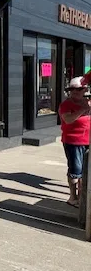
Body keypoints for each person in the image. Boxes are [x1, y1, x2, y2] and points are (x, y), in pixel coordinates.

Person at [58, 76, 91, 208]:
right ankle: (73, 197)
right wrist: (83, 110)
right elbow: (68, 119)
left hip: (88, 141)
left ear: (85, 90)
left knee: (86, 171)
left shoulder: (88, 102)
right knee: (75, 171)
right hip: (73, 141)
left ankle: (82, 198)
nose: (76, 92)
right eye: (73, 90)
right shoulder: (66, 104)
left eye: (79, 89)